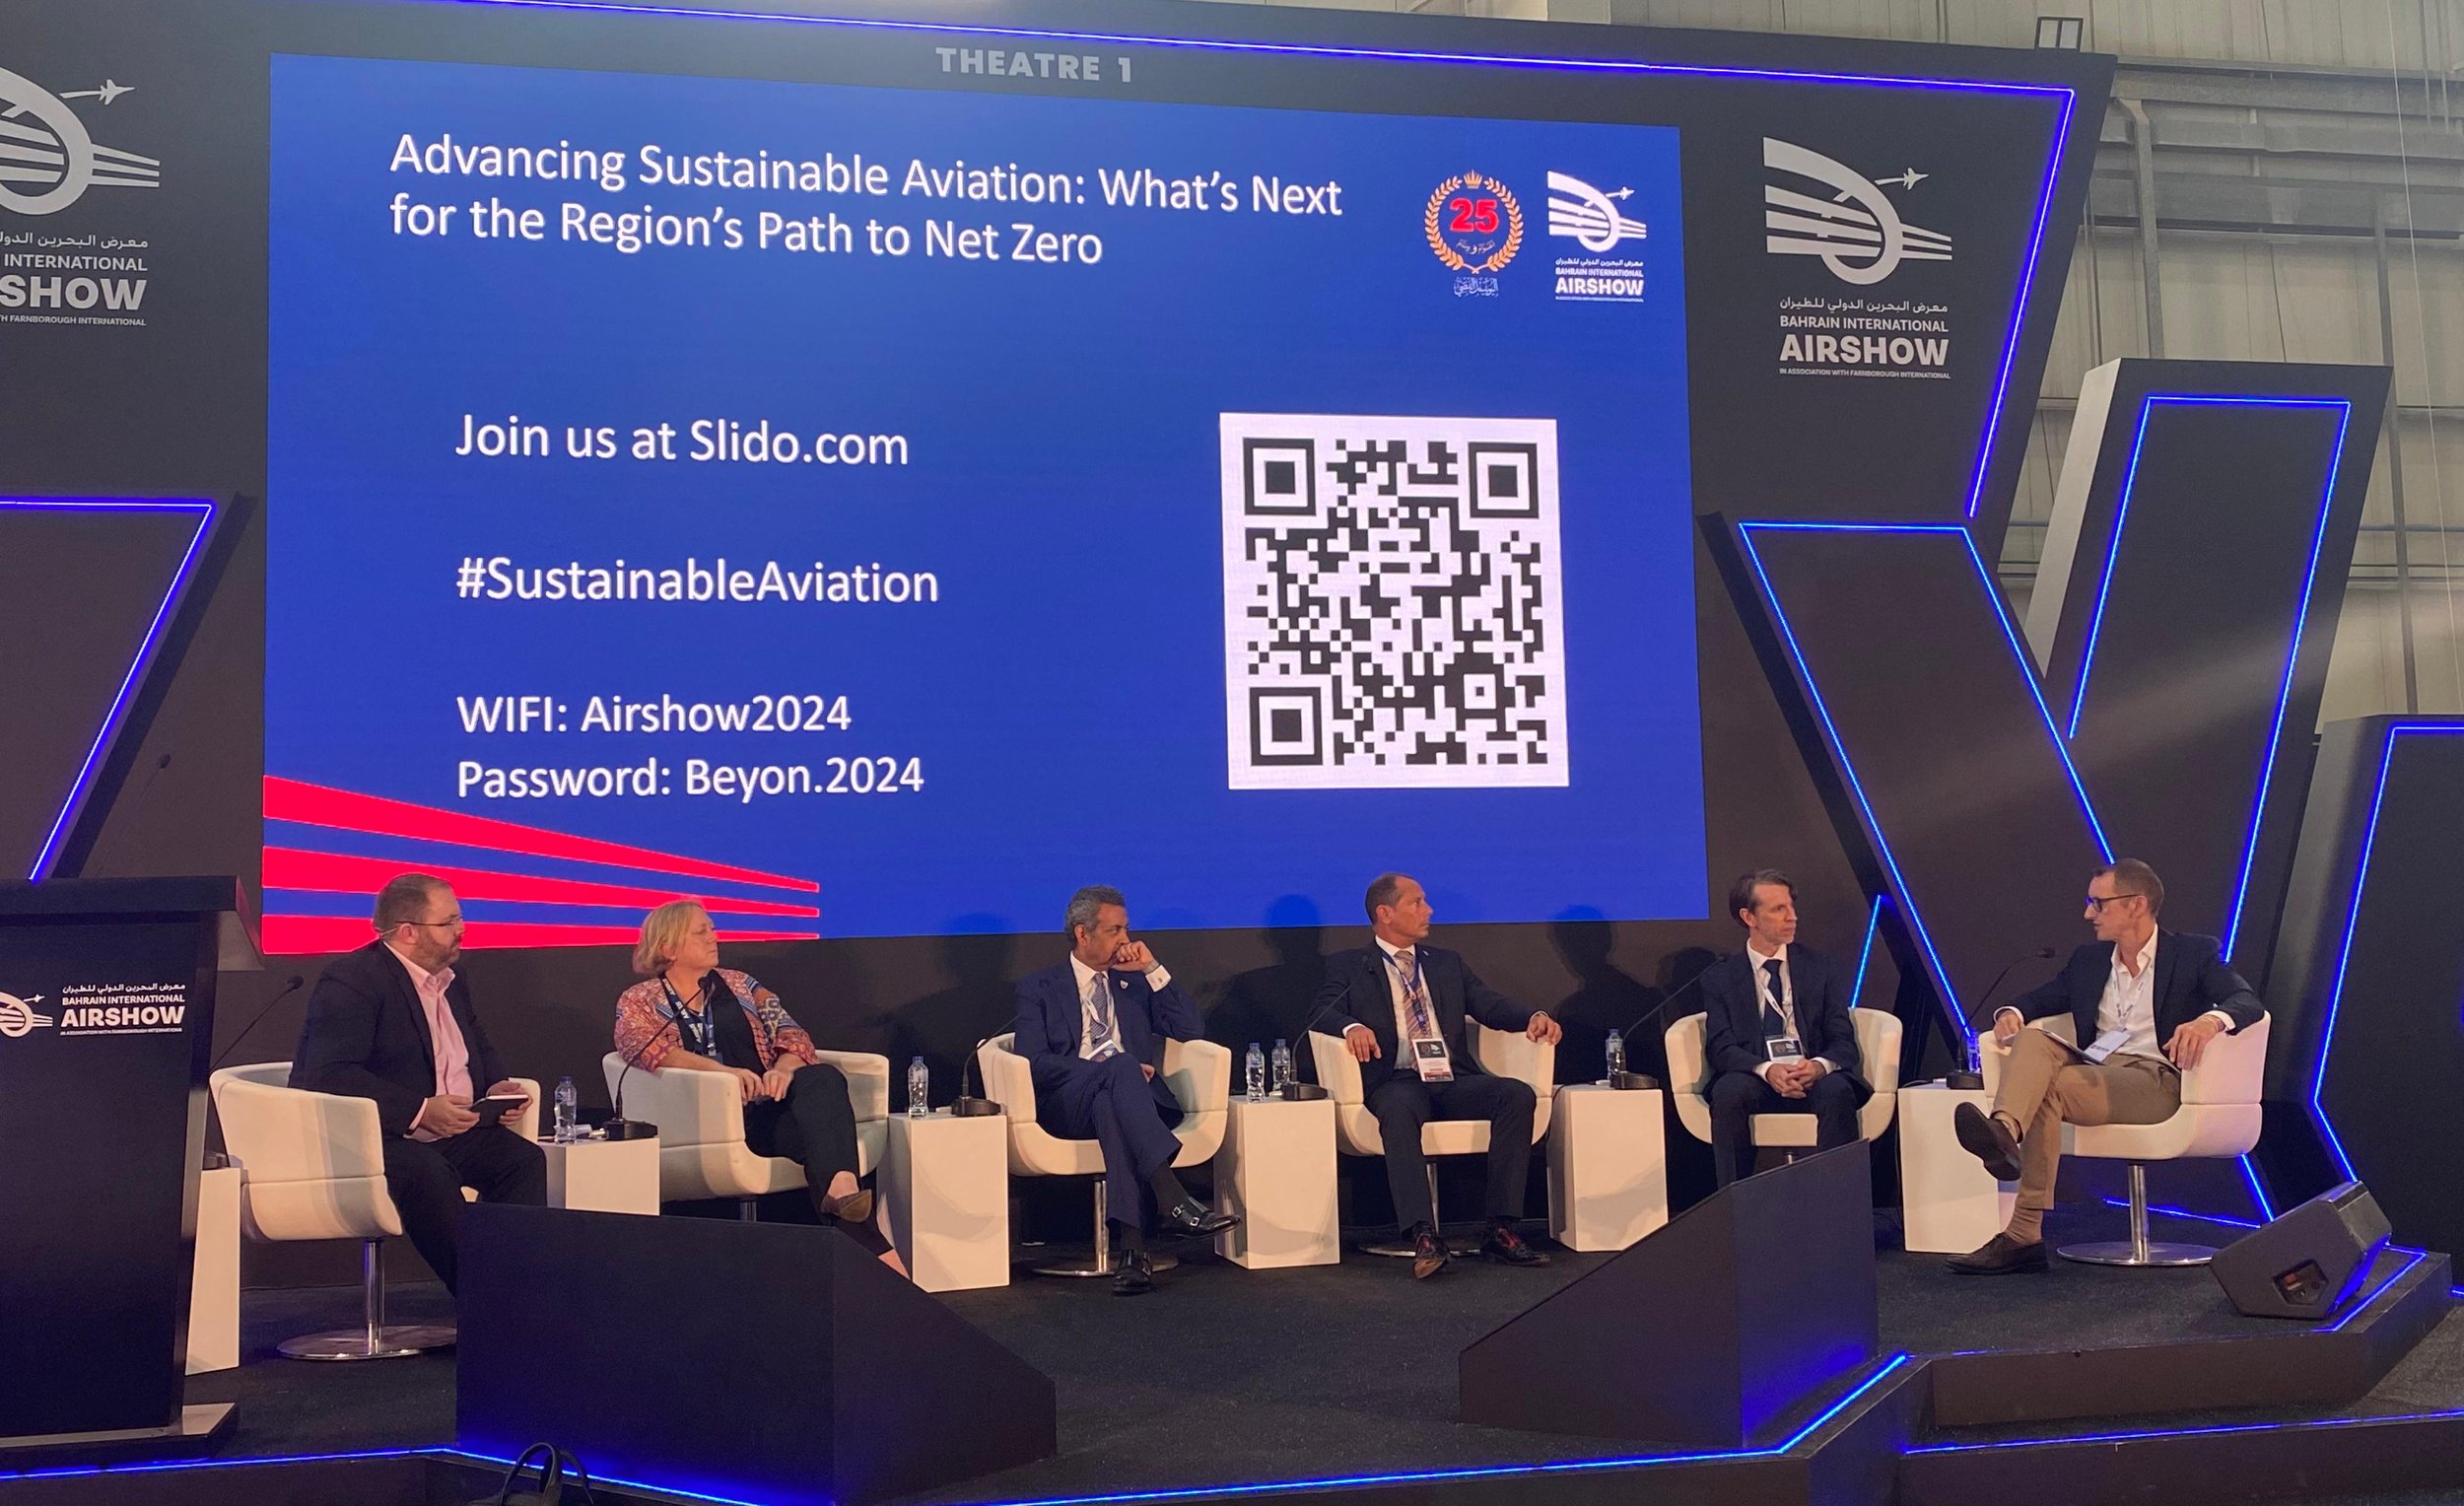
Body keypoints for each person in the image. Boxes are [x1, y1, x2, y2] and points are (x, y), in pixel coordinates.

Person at [1947, 859, 2264, 1274]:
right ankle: (2004, 1130)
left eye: (2098, 903)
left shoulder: (2192, 953)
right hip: (2095, 1068)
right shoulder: (2090, 960)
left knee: (2047, 1088)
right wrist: (2012, 1012)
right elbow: (2042, 998)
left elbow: (2246, 1001)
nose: (2088, 913)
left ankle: (2022, 1233)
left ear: (2136, 904)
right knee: (2033, 1041)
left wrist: (2210, 1021)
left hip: (2154, 1079)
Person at [614, 900, 906, 1275]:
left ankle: (843, 1191)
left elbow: (792, 1035)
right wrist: (723, 1073)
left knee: (822, 1078)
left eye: (712, 928)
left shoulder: (742, 985)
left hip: (766, 1112)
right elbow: (639, 1044)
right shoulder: (639, 1000)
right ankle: (875, 1255)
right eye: (701, 931)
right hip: (704, 1126)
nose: (713, 937)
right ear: (668, 947)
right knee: (826, 1147)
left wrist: (782, 1070)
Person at [288, 874, 544, 1294]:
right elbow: (329, 1073)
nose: (462, 929)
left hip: (448, 1131)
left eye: (459, 918)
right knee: (428, 1173)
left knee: (522, 1161)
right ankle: (485, 1299)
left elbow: (475, 1043)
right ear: (408, 932)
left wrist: (497, 1086)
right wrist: (420, 1110)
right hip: (377, 1136)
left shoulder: (451, 980)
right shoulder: (353, 979)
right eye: (449, 922)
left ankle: (515, 1292)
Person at [1311, 873, 1562, 1279]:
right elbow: (1322, 1011)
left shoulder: (1445, 962)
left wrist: (1532, 1016)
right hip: (1396, 1080)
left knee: (1516, 1095)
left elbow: (1487, 1004)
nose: (1428, 910)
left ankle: (1501, 1229)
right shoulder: (1351, 966)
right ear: (1385, 913)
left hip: (1451, 1077)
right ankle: (1423, 1235)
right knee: (1397, 1109)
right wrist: (1350, 1026)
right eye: (1417, 902)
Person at [1012, 885, 1238, 1296]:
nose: (1125, 940)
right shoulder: (1039, 987)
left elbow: (1190, 1029)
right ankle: (1171, 1199)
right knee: (1117, 1069)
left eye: (1126, 929)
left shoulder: (1134, 982)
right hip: (1068, 1103)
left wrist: (1152, 968)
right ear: (1083, 934)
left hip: (1134, 1102)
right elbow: (1034, 1062)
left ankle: (1134, 1254)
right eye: (1114, 930)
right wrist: (1105, 1069)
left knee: (1111, 1104)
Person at [1698, 870, 1870, 1187]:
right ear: (1749, 917)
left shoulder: (1820, 967)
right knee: (1728, 1093)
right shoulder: (1721, 977)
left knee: (1837, 1092)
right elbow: (1721, 1048)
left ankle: (1838, 1201)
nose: (1792, 917)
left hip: (1812, 1073)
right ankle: (1734, 1203)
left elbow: (1843, 1041)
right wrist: (1767, 1070)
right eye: (1778, 909)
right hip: (1756, 1076)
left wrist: (1818, 1066)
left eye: (1791, 906)